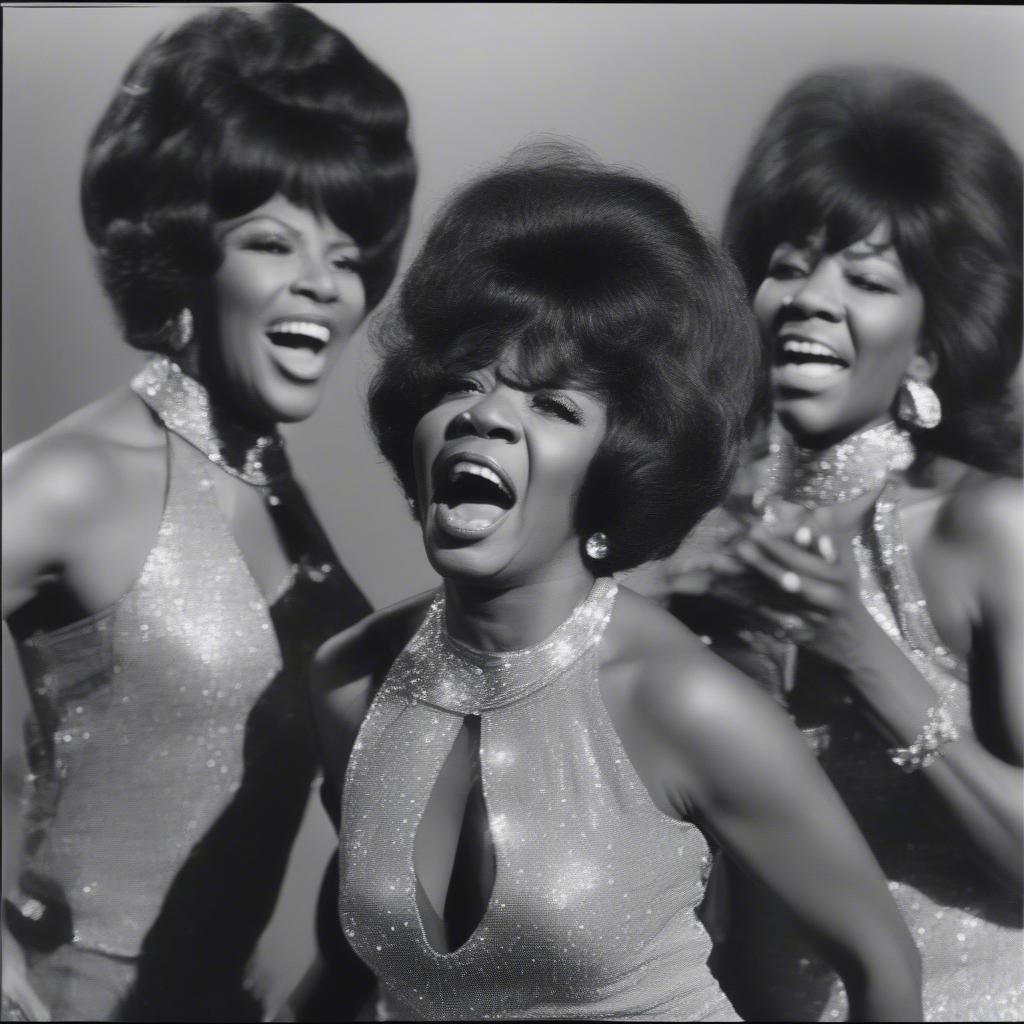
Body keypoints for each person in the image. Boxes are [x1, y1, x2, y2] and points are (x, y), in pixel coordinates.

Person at [310, 149, 922, 1021]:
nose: (485, 417)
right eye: (461, 384)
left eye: (553, 406)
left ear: (622, 470)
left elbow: (884, 966)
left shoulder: (684, 701)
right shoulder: (349, 683)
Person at [1, 5, 415, 1020]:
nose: (323, 284)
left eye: (350, 251)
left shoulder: (283, 501)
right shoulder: (81, 474)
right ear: (187, 251)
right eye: (273, 241)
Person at [674, 67, 1022, 1021]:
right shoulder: (705, 546)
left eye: (865, 278)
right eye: (788, 265)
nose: (812, 298)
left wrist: (863, 655)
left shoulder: (985, 529)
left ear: (929, 346)